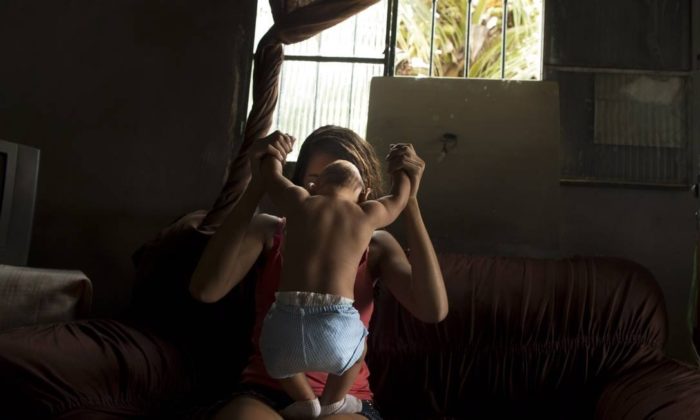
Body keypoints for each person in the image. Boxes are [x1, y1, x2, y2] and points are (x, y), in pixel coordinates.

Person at [190, 126, 448, 420]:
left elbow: (433, 309)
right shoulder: (270, 229)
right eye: (312, 180)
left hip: (346, 398)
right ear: (299, 183)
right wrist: (256, 185)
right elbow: (205, 290)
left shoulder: (377, 244)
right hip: (265, 392)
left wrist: (412, 202)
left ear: (366, 192)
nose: (317, 192)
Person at [257, 151, 411, 418]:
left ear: (314, 186)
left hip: (287, 312)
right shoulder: (365, 214)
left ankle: (305, 400)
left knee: (274, 353)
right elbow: (398, 201)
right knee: (359, 345)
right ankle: (333, 401)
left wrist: (274, 155)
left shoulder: (299, 201)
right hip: (336, 318)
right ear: (364, 194)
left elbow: (271, 178)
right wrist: (402, 174)